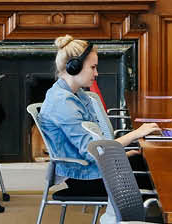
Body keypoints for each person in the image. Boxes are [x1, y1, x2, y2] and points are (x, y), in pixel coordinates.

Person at [37, 35, 160, 196]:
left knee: (149, 163)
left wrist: (120, 154)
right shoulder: (62, 103)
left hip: (94, 168)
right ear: (74, 67)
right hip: (85, 176)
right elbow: (93, 151)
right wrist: (135, 134)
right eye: (93, 67)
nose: (96, 73)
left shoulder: (75, 94)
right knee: (157, 179)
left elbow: (97, 142)